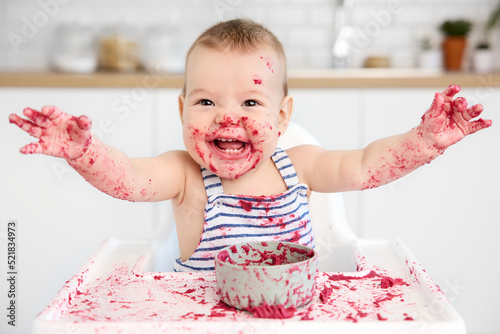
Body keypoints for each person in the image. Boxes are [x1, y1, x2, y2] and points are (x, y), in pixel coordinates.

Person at [8, 19, 492, 272]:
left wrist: (424, 141)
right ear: (181, 113)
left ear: (282, 118)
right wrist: (84, 152)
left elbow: (366, 167)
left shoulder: (300, 166)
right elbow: (130, 180)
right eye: (205, 100)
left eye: (251, 101)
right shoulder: (185, 176)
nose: (229, 116)